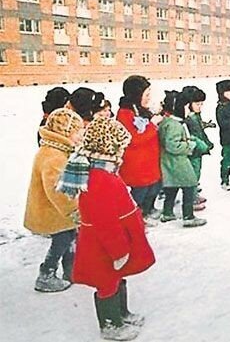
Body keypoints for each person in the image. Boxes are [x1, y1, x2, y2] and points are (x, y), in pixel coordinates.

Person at [57, 117, 155, 341]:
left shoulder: (105, 171)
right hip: (105, 247)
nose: (123, 151)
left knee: (118, 277)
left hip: (115, 241)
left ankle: (122, 313)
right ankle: (110, 324)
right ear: (108, 147)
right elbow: (105, 222)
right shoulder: (99, 179)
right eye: (120, 146)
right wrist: (118, 250)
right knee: (107, 283)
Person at [24, 108, 85, 293]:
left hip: (57, 210)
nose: (82, 135)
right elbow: (58, 191)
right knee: (63, 239)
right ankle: (46, 273)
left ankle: (71, 271)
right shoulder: (53, 157)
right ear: (65, 132)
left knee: (69, 237)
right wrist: (73, 211)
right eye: (78, 132)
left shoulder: (58, 150)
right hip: (53, 211)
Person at [116, 76, 163, 225]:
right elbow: (133, 138)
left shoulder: (140, 109)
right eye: (146, 94)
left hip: (149, 162)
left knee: (154, 188)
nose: (149, 98)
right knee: (140, 192)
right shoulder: (125, 113)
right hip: (137, 164)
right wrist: (152, 125)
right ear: (137, 94)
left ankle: (147, 211)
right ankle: (134, 217)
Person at [157, 91, 207, 227]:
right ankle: (188, 216)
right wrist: (189, 145)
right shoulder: (174, 125)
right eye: (185, 107)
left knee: (172, 187)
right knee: (190, 185)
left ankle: (167, 212)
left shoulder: (170, 121)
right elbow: (172, 145)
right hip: (177, 162)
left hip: (170, 162)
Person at [183, 86, 214, 206]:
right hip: (193, 150)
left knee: (197, 171)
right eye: (197, 104)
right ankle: (191, 197)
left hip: (199, 149)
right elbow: (192, 134)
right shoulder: (188, 118)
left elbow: (200, 130)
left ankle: (194, 192)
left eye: (202, 104)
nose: (200, 107)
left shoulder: (196, 116)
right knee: (193, 173)